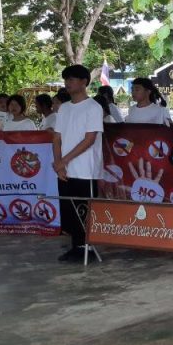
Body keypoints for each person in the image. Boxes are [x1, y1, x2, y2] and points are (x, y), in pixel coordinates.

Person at [53, 65, 104, 262]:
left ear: (84, 82)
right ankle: (76, 247)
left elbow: (89, 139)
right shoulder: (64, 108)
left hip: (85, 169)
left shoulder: (93, 107)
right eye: (66, 79)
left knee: (84, 210)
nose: (68, 83)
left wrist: (63, 161)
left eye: (72, 79)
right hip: (65, 169)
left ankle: (87, 248)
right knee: (69, 210)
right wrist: (59, 163)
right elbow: (57, 138)